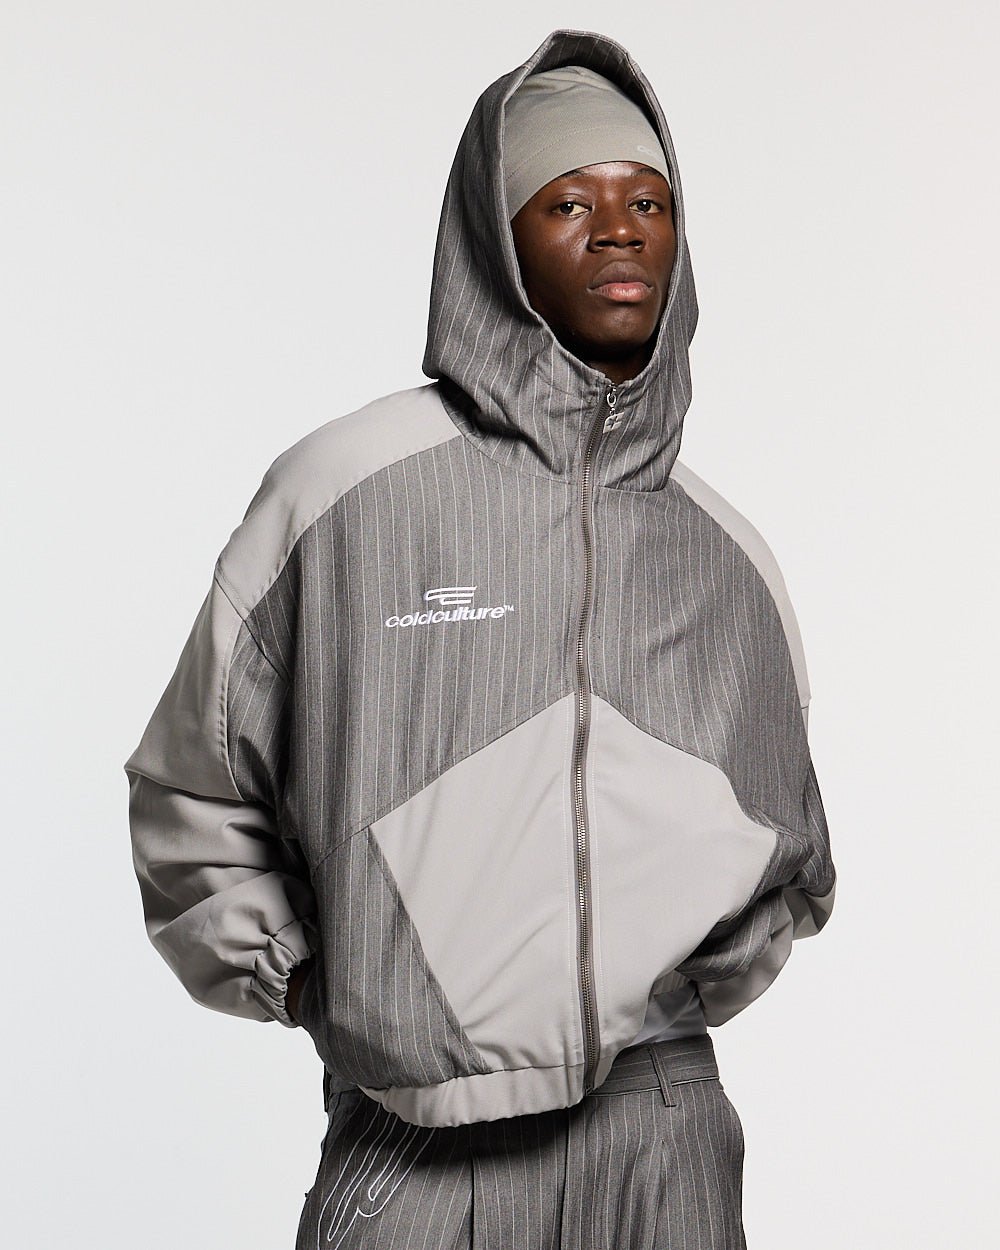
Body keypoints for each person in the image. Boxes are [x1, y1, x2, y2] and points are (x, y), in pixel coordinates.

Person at [125, 28, 836, 1249]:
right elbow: (191, 788)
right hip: (420, 1138)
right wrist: (317, 983)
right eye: (568, 201)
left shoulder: (723, 550)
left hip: (659, 1135)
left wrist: (680, 988)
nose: (619, 231)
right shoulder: (344, 495)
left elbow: (792, 852)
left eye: (648, 200)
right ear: (494, 243)